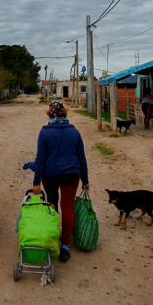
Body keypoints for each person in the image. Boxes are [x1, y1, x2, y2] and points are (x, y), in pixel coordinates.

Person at [32, 101, 89, 262]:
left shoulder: (44, 133)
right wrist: (85, 180)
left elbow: (40, 160)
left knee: (52, 205)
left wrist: (36, 182)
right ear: (65, 113)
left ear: (49, 115)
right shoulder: (74, 132)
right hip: (71, 174)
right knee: (67, 208)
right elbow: (82, 159)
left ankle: (53, 239)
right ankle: (65, 247)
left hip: (50, 175)